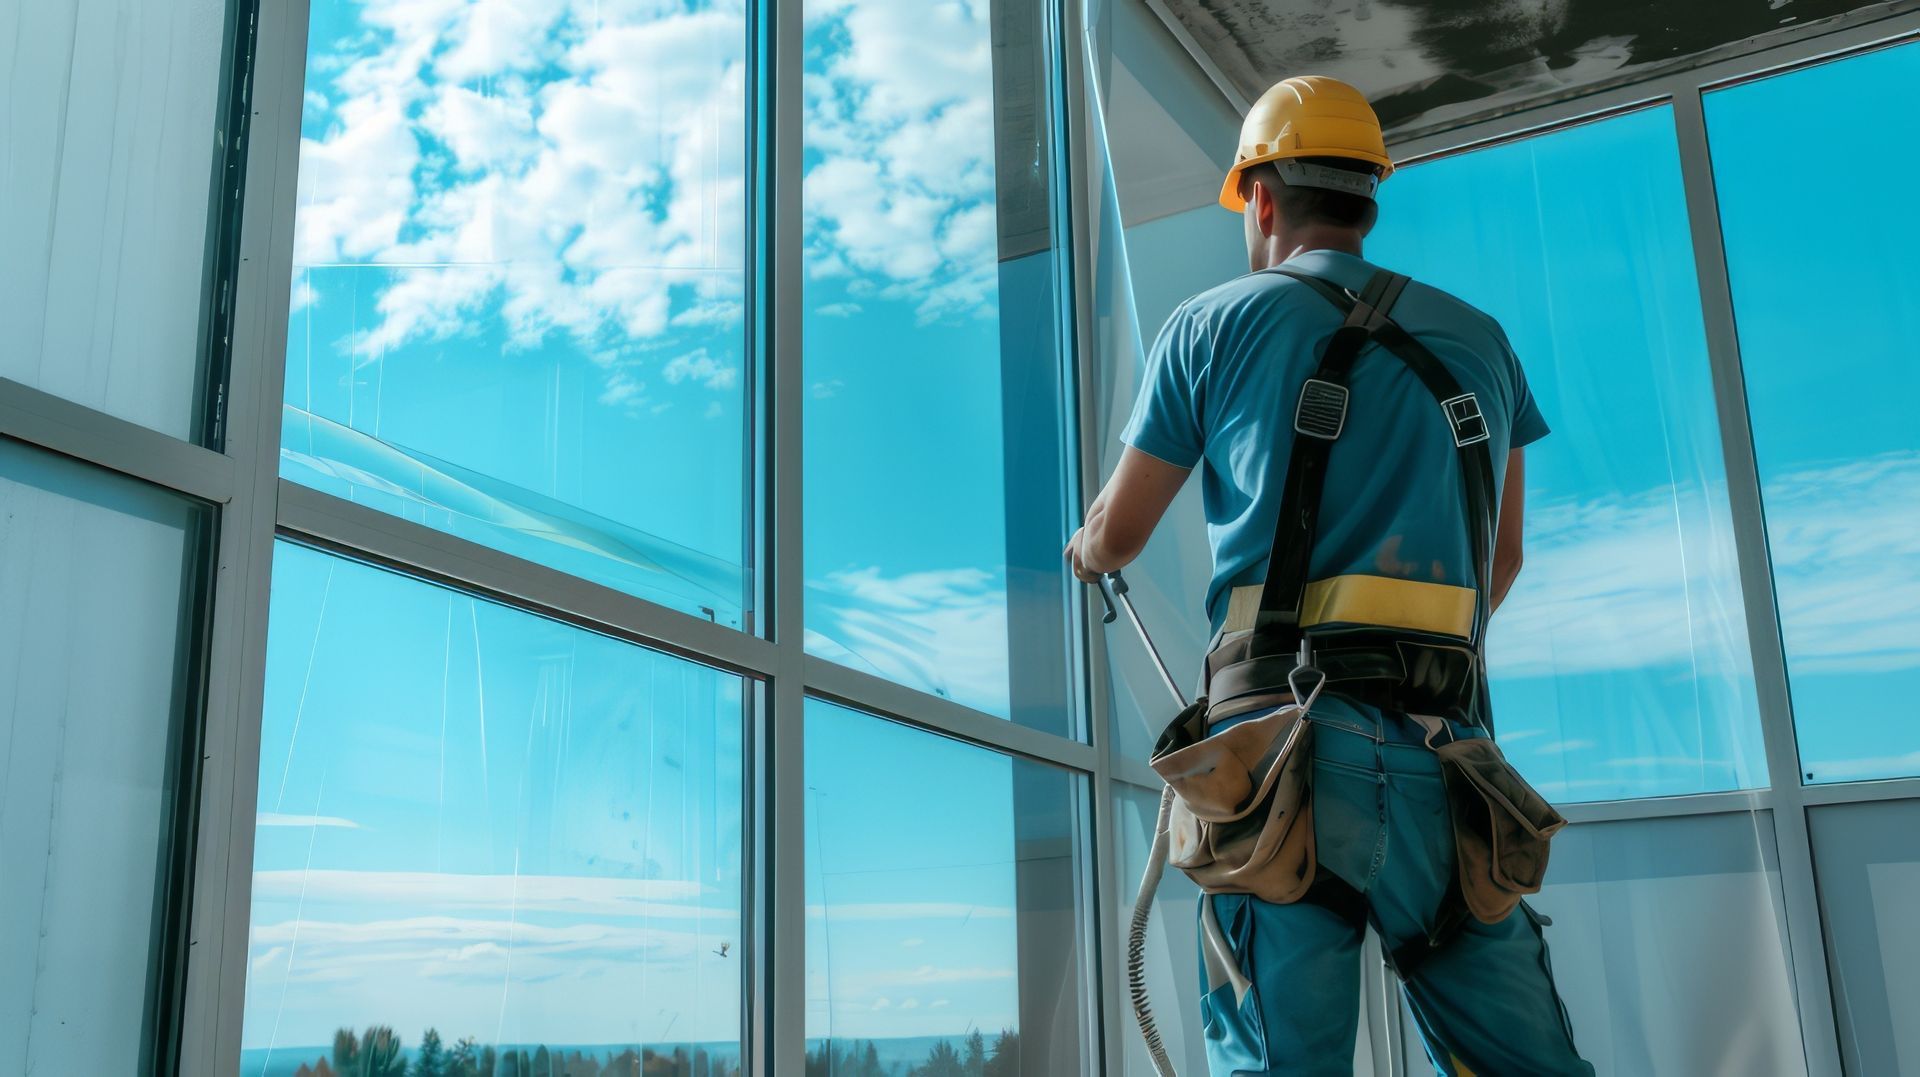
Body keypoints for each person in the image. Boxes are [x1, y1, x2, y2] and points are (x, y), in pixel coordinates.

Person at [1064, 76, 1592, 1076]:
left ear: (1261, 199)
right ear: (1367, 199)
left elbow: (1118, 534)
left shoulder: (1212, 323)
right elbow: (1503, 557)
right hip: (1452, 764)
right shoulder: (1484, 341)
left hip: (1282, 764)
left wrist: (1085, 549)